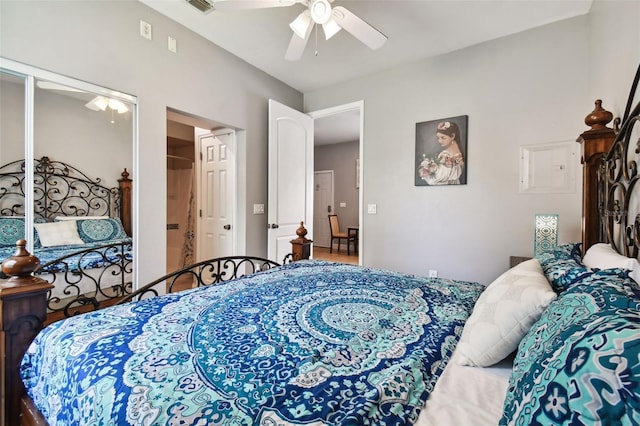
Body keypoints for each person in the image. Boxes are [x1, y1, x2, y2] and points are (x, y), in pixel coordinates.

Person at [418, 121, 464, 185]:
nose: (439, 141)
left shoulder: (445, 155)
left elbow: (436, 180)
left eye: (443, 138)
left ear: (453, 136)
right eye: (438, 138)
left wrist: (425, 171)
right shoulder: (459, 153)